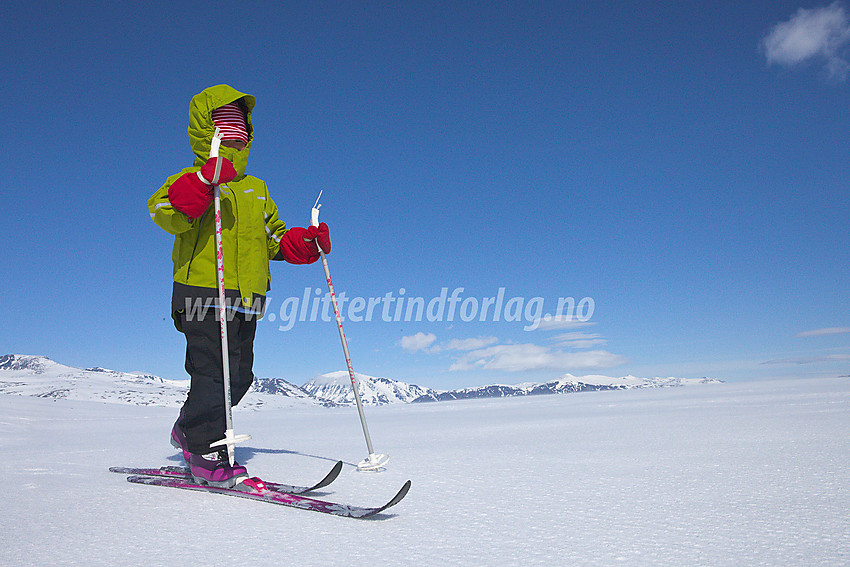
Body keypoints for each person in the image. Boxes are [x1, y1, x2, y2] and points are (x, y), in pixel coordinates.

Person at [148, 84, 331, 487]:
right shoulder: (188, 179)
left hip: (247, 299)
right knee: (213, 375)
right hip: (201, 293)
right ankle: (203, 452)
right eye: (223, 124)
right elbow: (165, 212)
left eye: (240, 126)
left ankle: (187, 428)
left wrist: (304, 243)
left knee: (240, 376)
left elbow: (273, 239)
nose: (234, 133)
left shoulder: (257, 190)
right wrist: (201, 183)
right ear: (204, 129)